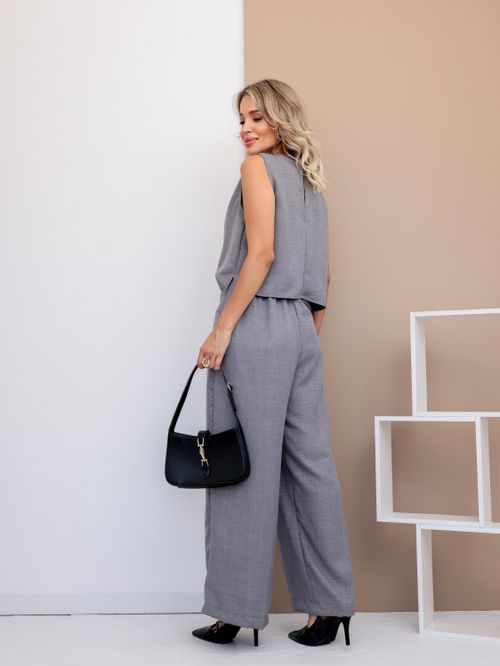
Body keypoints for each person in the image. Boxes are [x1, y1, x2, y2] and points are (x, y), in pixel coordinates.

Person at [191, 79, 355, 648]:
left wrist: (223, 330)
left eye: (257, 117)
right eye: (241, 119)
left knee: (242, 465)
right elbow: (324, 277)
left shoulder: (256, 170)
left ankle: (234, 611)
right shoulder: (311, 183)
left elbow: (261, 254)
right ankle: (328, 607)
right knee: (310, 466)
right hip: (302, 330)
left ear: (282, 119)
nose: (245, 129)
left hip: (256, 325)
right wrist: (304, 337)